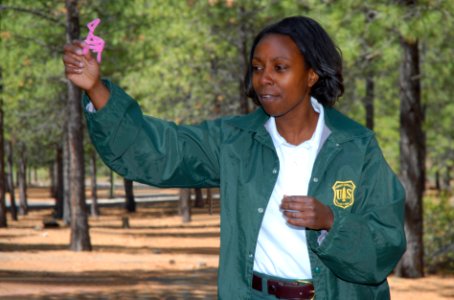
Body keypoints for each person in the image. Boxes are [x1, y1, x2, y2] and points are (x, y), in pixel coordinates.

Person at [63, 16, 406, 300]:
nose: (264, 78)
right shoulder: (234, 141)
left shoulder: (355, 146)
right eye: (258, 67)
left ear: (311, 75)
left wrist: (332, 222)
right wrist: (97, 90)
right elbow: (161, 151)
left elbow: (385, 247)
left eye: (280, 67)